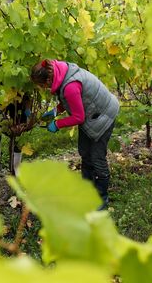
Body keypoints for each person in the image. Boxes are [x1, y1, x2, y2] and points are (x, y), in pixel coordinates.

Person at [31, 59, 119, 210]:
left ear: (48, 79)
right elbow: (70, 98)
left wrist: (57, 124)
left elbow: (79, 117)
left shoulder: (70, 85)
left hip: (103, 116)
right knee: (85, 152)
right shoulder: (61, 72)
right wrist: (56, 111)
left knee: (97, 157)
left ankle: (101, 199)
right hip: (92, 115)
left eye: (42, 85)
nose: (43, 88)